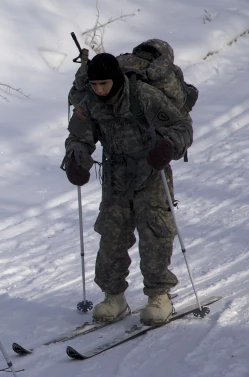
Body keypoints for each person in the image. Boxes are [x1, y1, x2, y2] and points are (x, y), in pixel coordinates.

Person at [64, 53, 193, 325]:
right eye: (95, 84)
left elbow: (180, 126)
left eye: (104, 84)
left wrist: (167, 146)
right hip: (115, 176)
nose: (99, 89)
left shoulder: (143, 95)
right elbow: (78, 136)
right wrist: (77, 159)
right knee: (111, 234)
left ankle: (159, 296)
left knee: (154, 232)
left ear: (117, 79)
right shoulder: (90, 102)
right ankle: (114, 296)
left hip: (151, 170)